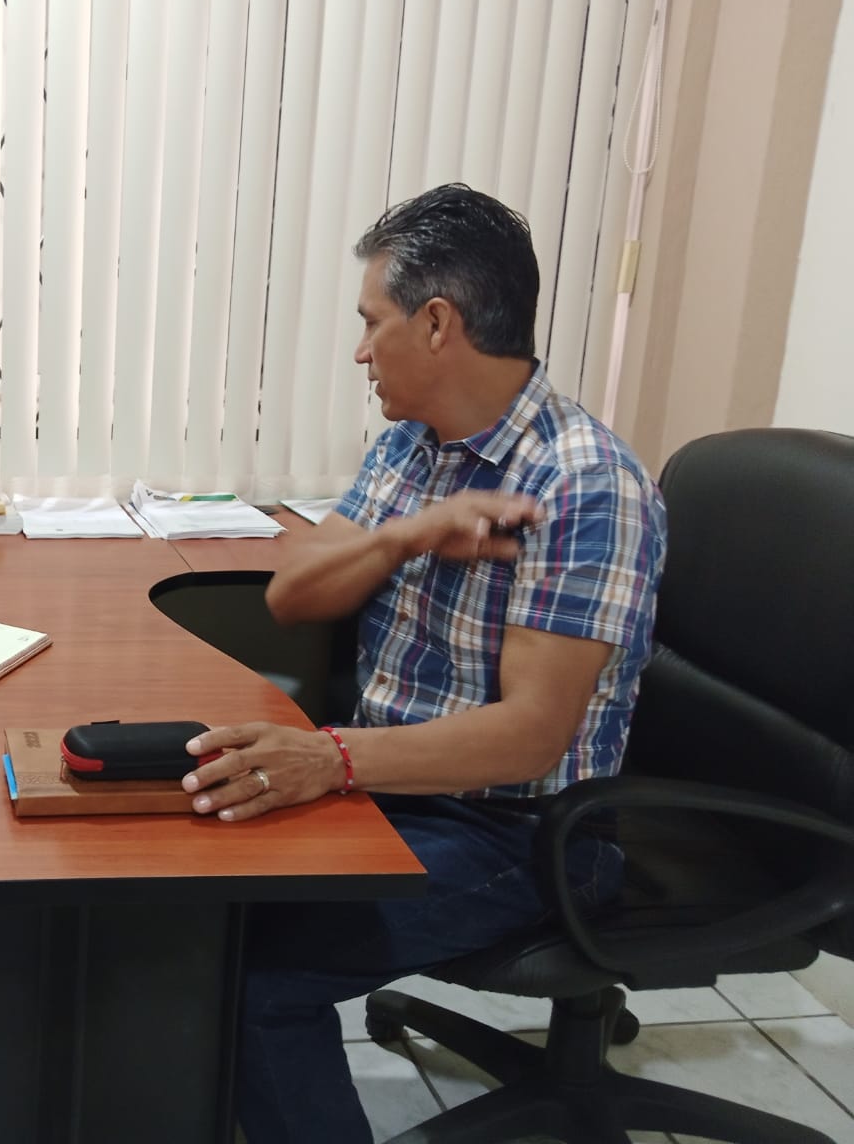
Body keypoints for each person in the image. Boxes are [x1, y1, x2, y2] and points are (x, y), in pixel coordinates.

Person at [178, 185, 668, 1142]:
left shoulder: (583, 482)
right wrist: (405, 535)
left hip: (523, 834)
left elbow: (529, 739)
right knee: (187, 903)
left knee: (256, 977)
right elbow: (291, 594)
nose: (361, 351)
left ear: (436, 323)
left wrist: (331, 759)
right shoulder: (412, 447)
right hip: (397, 784)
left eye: (373, 322)